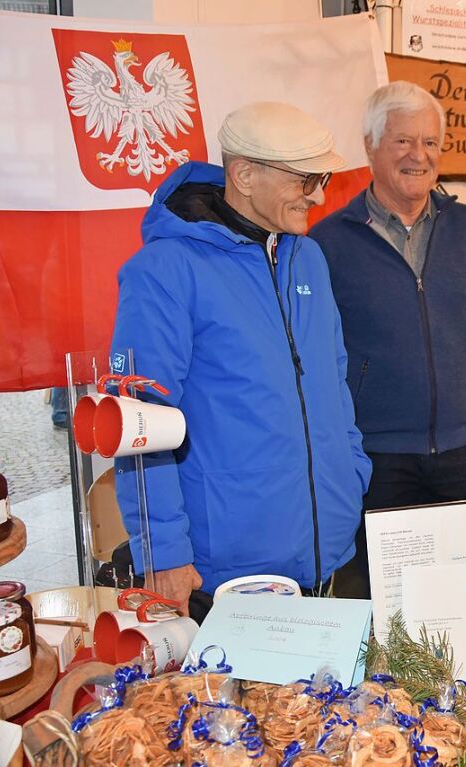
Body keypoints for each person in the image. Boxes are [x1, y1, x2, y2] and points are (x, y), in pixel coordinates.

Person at [109, 102, 372, 617]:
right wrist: (163, 553)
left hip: (328, 549)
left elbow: (332, 380)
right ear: (245, 174)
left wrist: (350, 471)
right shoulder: (163, 270)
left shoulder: (308, 257)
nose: (319, 196)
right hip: (228, 571)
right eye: (306, 179)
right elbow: (137, 423)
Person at [310, 82, 466, 597]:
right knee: (394, 605)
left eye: (431, 142)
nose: (419, 156)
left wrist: (462, 398)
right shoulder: (327, 243)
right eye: (402, 142)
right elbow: (322, 355)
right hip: (379, 459)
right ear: (370, 147)